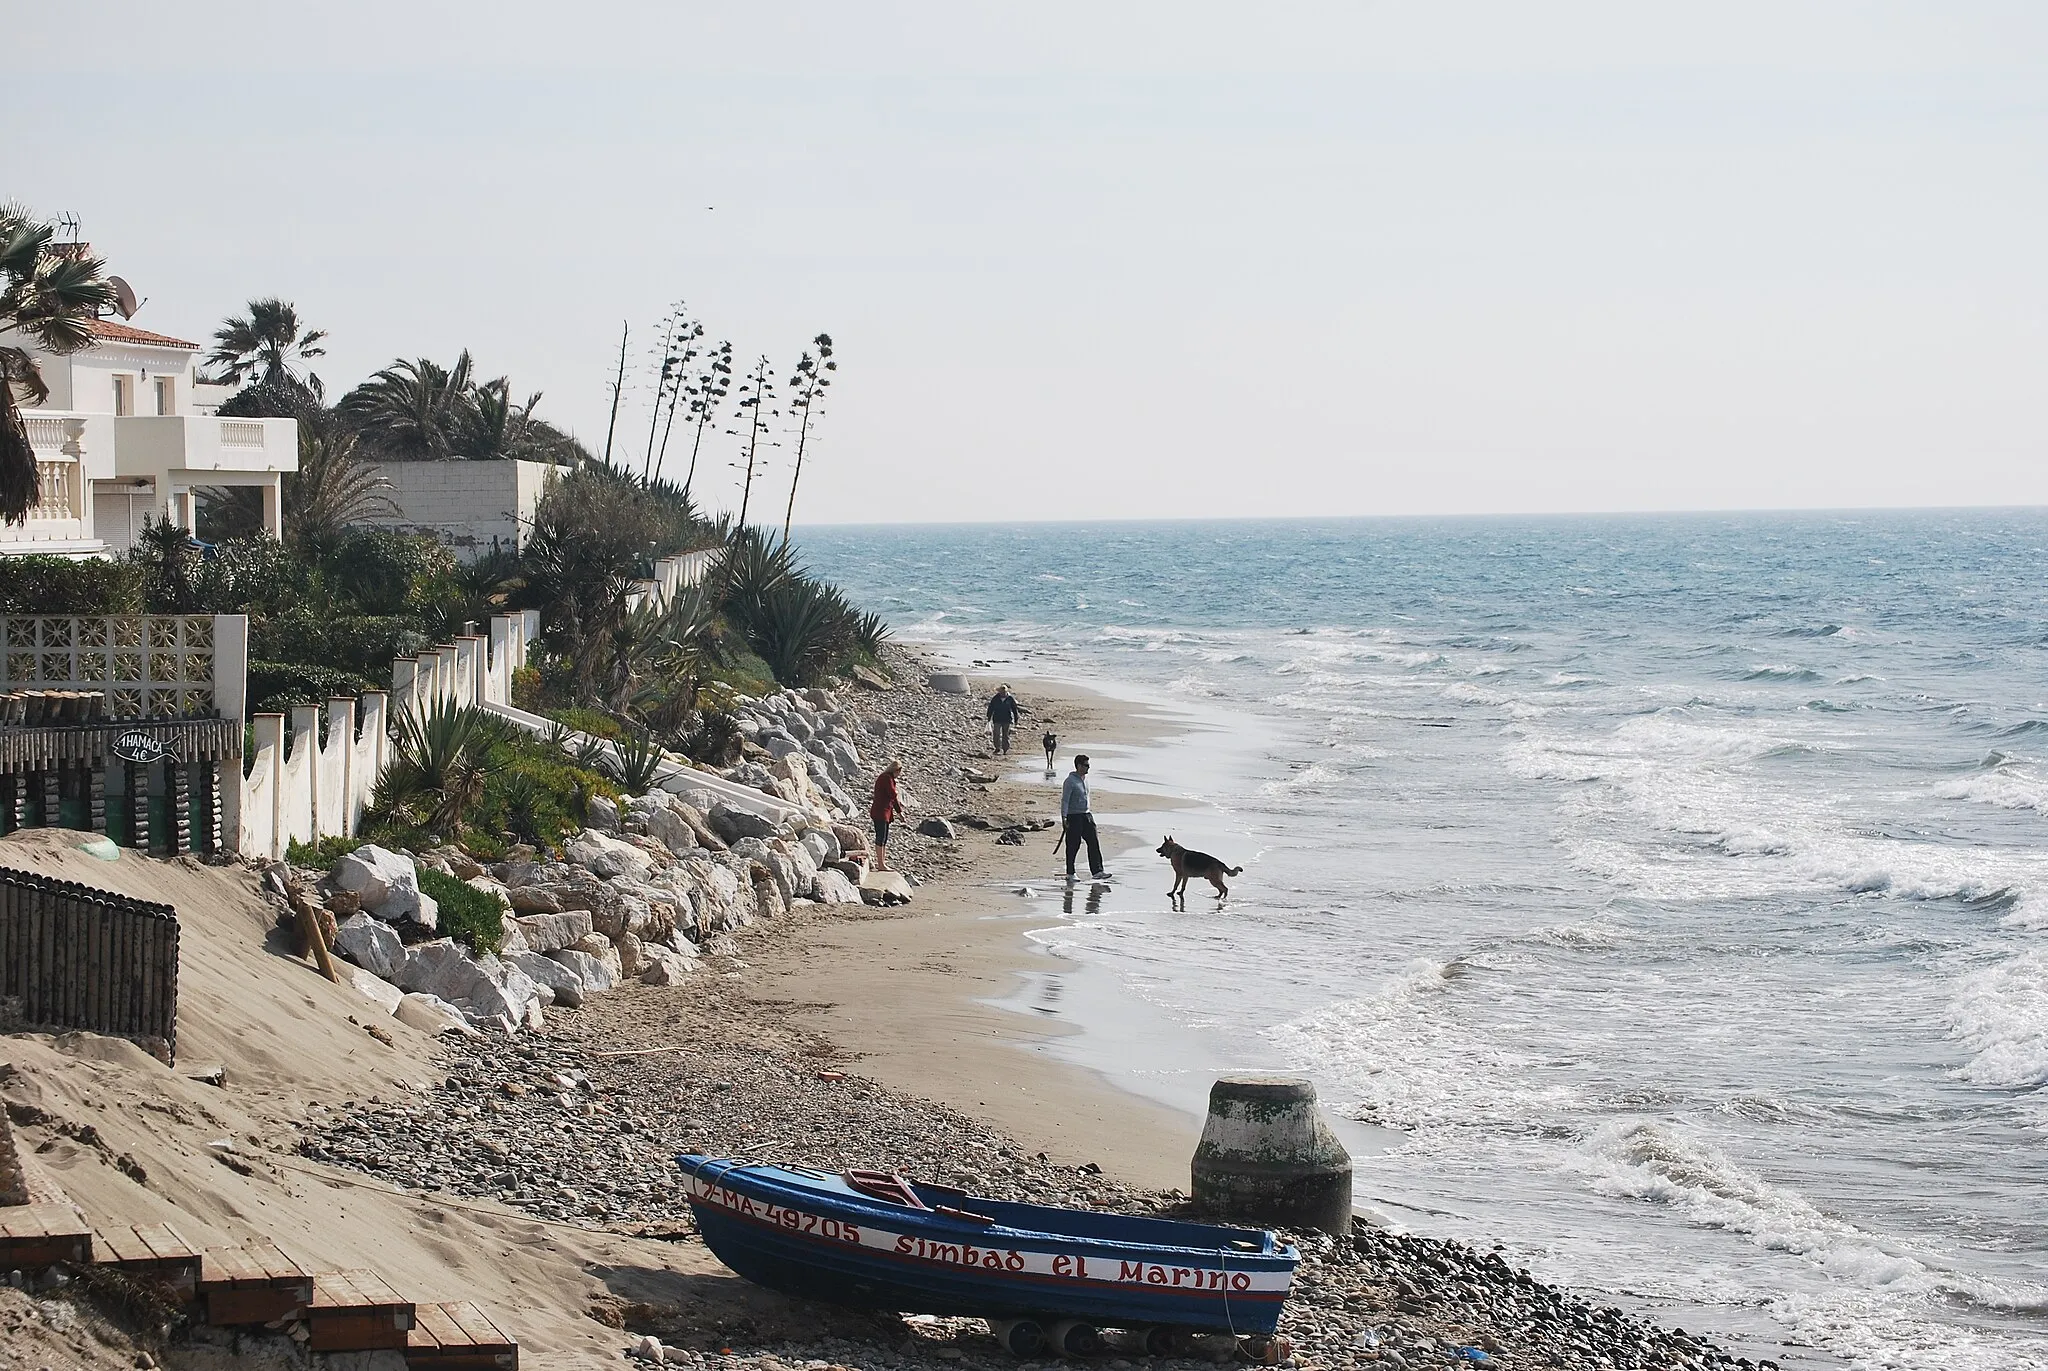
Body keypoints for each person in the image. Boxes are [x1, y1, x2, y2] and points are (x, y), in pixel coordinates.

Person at [1059, 753, 1104, 880]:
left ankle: (1097, 871)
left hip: (1086, 815)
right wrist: (1064, 817)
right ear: (1078, 766)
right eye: (1086, 765)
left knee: (1093, 842)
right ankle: (1070, 872)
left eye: (1088, 765)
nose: (1088, 768)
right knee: (1074, 844)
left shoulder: (1085, 779)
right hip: (1074, 816)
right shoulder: (1070, 781)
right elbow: (1065, 800)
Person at [870, 760, 904, 871]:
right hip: (880, 812)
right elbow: (893, 794)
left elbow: (893, 800)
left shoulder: (889, 779)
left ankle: (882, 863)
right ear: (896, 770)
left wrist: (899, 813)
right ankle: (880, 864)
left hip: (884, 812)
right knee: (880, 837)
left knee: (884, 838)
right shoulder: (886, 778)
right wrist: (897, 792)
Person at [986, 684, 1024, 755]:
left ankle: (1005, 749)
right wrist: (989, 717)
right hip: (997, 719)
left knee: (1005, 735)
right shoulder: (995, 698)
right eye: (1001, 692)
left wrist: (1016, 719)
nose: (1002, 693)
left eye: (1003, 692)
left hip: (1007, 720)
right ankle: (997, 748)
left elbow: (1014, 709)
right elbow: (991, 707)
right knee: (996, 734)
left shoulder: (1010, 699)